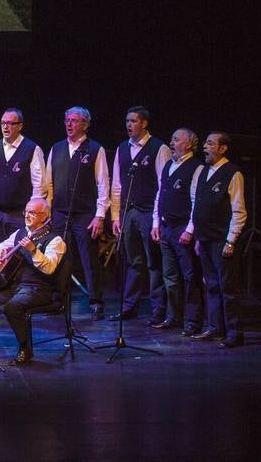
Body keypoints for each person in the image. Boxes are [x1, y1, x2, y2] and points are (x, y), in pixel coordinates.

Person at [0, 197, 67, 365]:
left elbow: (49, 268)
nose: (27, 215)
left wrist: (34, 251)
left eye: (33, 213)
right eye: (26, 212)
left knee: (13, 307)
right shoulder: (21, 233)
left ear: (45, 216)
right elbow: (0, 246)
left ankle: (25, 349)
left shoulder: (55, 240)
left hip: (39, 290)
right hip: (14, 288)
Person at [46, 107, 110, 320]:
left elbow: (103, 185)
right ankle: (58, 298)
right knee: (59, 256)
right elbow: (49, 183)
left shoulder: (94, 149)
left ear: (85, 124)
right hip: (60, 212)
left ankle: (96, 300)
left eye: (74, 120)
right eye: (67, 120)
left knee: (88, 259)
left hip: (84, 214)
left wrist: (100, 215)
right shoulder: (56, 148)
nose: (69, 124)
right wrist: (49, 209)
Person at [184, 132, 246, 348]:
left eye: (210, 144)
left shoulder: (232, 173)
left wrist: (231, 241)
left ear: (223, 149)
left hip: (222, 240)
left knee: (226, 286)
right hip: (206, 238)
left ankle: (234, 331)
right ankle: (215, 327)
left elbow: (239, 211)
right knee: (210, 285)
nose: (205, 147)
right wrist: (198, 237)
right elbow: (197, 205)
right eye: (205, 143)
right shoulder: (203, 172)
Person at [109, 106, 171, 322]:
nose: (129, 125)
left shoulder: (159, 148)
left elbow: (164, 185)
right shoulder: (122, 149)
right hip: (128, 212)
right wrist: (115, 216)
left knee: (153, 262)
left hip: (148, 212)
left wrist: (157, 219)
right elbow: (116, 185)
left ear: (144, 123)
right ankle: (129, 306)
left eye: (133, 121)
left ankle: (158, 309)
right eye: (127, 121)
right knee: (133, 261)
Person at [152, 128, 204, 335]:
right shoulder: (168, 166)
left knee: (190, 276)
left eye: (176, 139)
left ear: (189, 144)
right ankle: (173, 316)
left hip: (182, 228)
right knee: (169, 276)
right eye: (171, 139)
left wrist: (190, 229)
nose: (172, 142)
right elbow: (160, 195)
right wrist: (156, 223)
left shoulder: (196, 167)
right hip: (166, 228)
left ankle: (193, 320)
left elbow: (196, 201)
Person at [0, 108, 47, 255]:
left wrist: (32, 214)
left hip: (19, 215)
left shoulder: (32, 149)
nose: (5, 127)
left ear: (19, 126)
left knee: (17, 256)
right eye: (3, 123)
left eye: (10, 123)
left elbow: (39, 185)